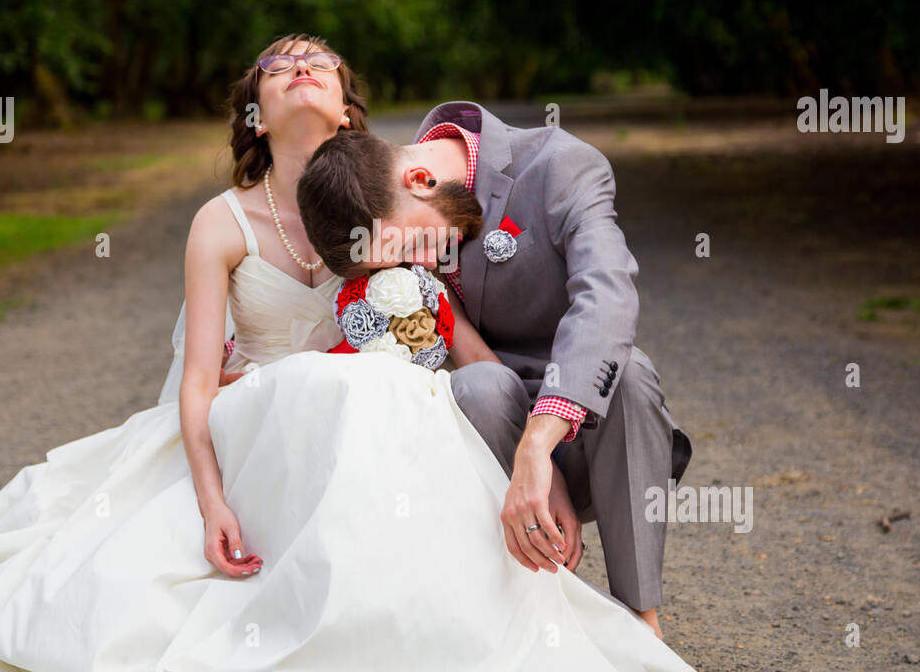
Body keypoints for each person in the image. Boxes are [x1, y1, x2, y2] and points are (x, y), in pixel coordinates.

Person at [0, 35, 700, 672]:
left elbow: (473, 329)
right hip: (302, 418)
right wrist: (215, 490)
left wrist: (544, 451)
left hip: (424, 412)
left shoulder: (417, 184)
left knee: (540, 387)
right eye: (277, 67)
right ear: (253, 115)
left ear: (353, 116)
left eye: (318, 61)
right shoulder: (233, 219)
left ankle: (595, 615)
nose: (299, 67)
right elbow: (203, 375)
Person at [296, 103, 692, 637]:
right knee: (476, 385)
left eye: (413, 245)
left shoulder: (561, 166)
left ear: (419, 178)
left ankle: (642, 623)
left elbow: (608, 297)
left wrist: (540, 444)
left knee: (631, 374)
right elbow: (470, 355)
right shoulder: (388, 205)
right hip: (479, 436)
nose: (418, 262)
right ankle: (524, 616)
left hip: (592, 436)